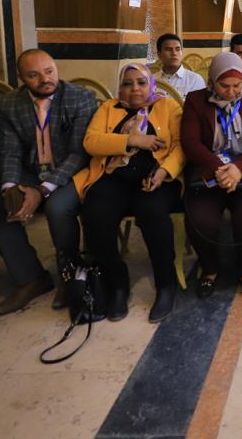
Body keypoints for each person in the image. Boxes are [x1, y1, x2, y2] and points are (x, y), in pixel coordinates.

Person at [0, 49, 97, 315]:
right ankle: (31, 278)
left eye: (49, 71)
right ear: (21, 78)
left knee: (58, 208)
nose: (45, 79)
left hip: (69, 172)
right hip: (30, 173)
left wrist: (42, 190)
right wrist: (10, 187)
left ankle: (69, 274)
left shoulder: (79, 97)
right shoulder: (10, 104)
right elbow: (10, 151)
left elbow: (78, 154)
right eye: (34, 75)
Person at [74, 64, 183, 322]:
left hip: (155, 177)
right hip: (114, 176)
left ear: (150, 85)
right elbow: (91, 141)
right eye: (127, 83)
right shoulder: (109, 108)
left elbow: (180, 146)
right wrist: (132, 140)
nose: (135, 88)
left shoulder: (168, 107)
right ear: (120, 88)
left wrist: (164, 171)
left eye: (141, 82)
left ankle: (166, 284)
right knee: (95, 214)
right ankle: (117, 284)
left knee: (152, 213)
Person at [182, 53, 242, 301]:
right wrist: (220, 168)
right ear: (212, 81)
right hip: (209, 171)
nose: (231, 92)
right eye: (224, 86)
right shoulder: (196, 100)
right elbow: (190, 142)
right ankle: (209, 268)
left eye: (237, 85)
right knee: (201, 220)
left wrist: (239, 169)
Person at [154, 33, 206, 100]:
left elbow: (199, 105)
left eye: (178, 49)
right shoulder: (152, 80)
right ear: (159, 54)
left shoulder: (194, 80)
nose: (174, 53)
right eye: (168, 50)